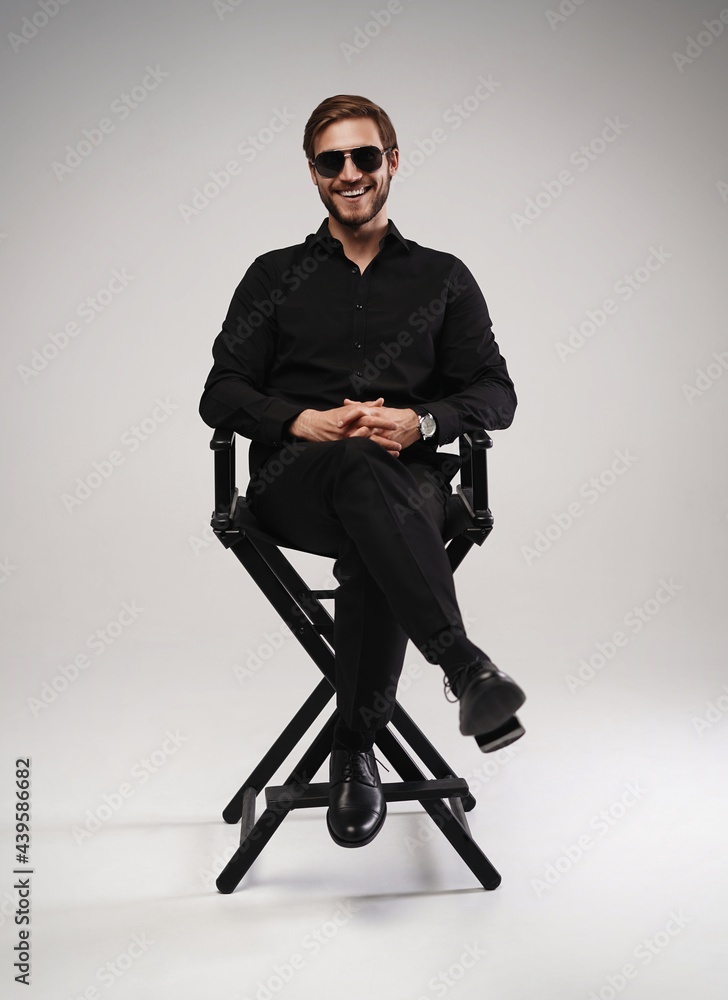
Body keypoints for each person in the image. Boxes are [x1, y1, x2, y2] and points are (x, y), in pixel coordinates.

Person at [199, 94, 525, 850]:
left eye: (365, 156)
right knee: (354, 468)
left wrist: (425, 422)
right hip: (297, 486)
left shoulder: (444, 277)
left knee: (381, 527)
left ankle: (355, 752)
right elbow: (221, 392)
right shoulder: (271, 275)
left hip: (409, 484)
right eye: (331, 160)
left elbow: (495, 393)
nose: (350, 173)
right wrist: (298, 420)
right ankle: (464, 667)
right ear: (313, 174)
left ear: (393, 162)